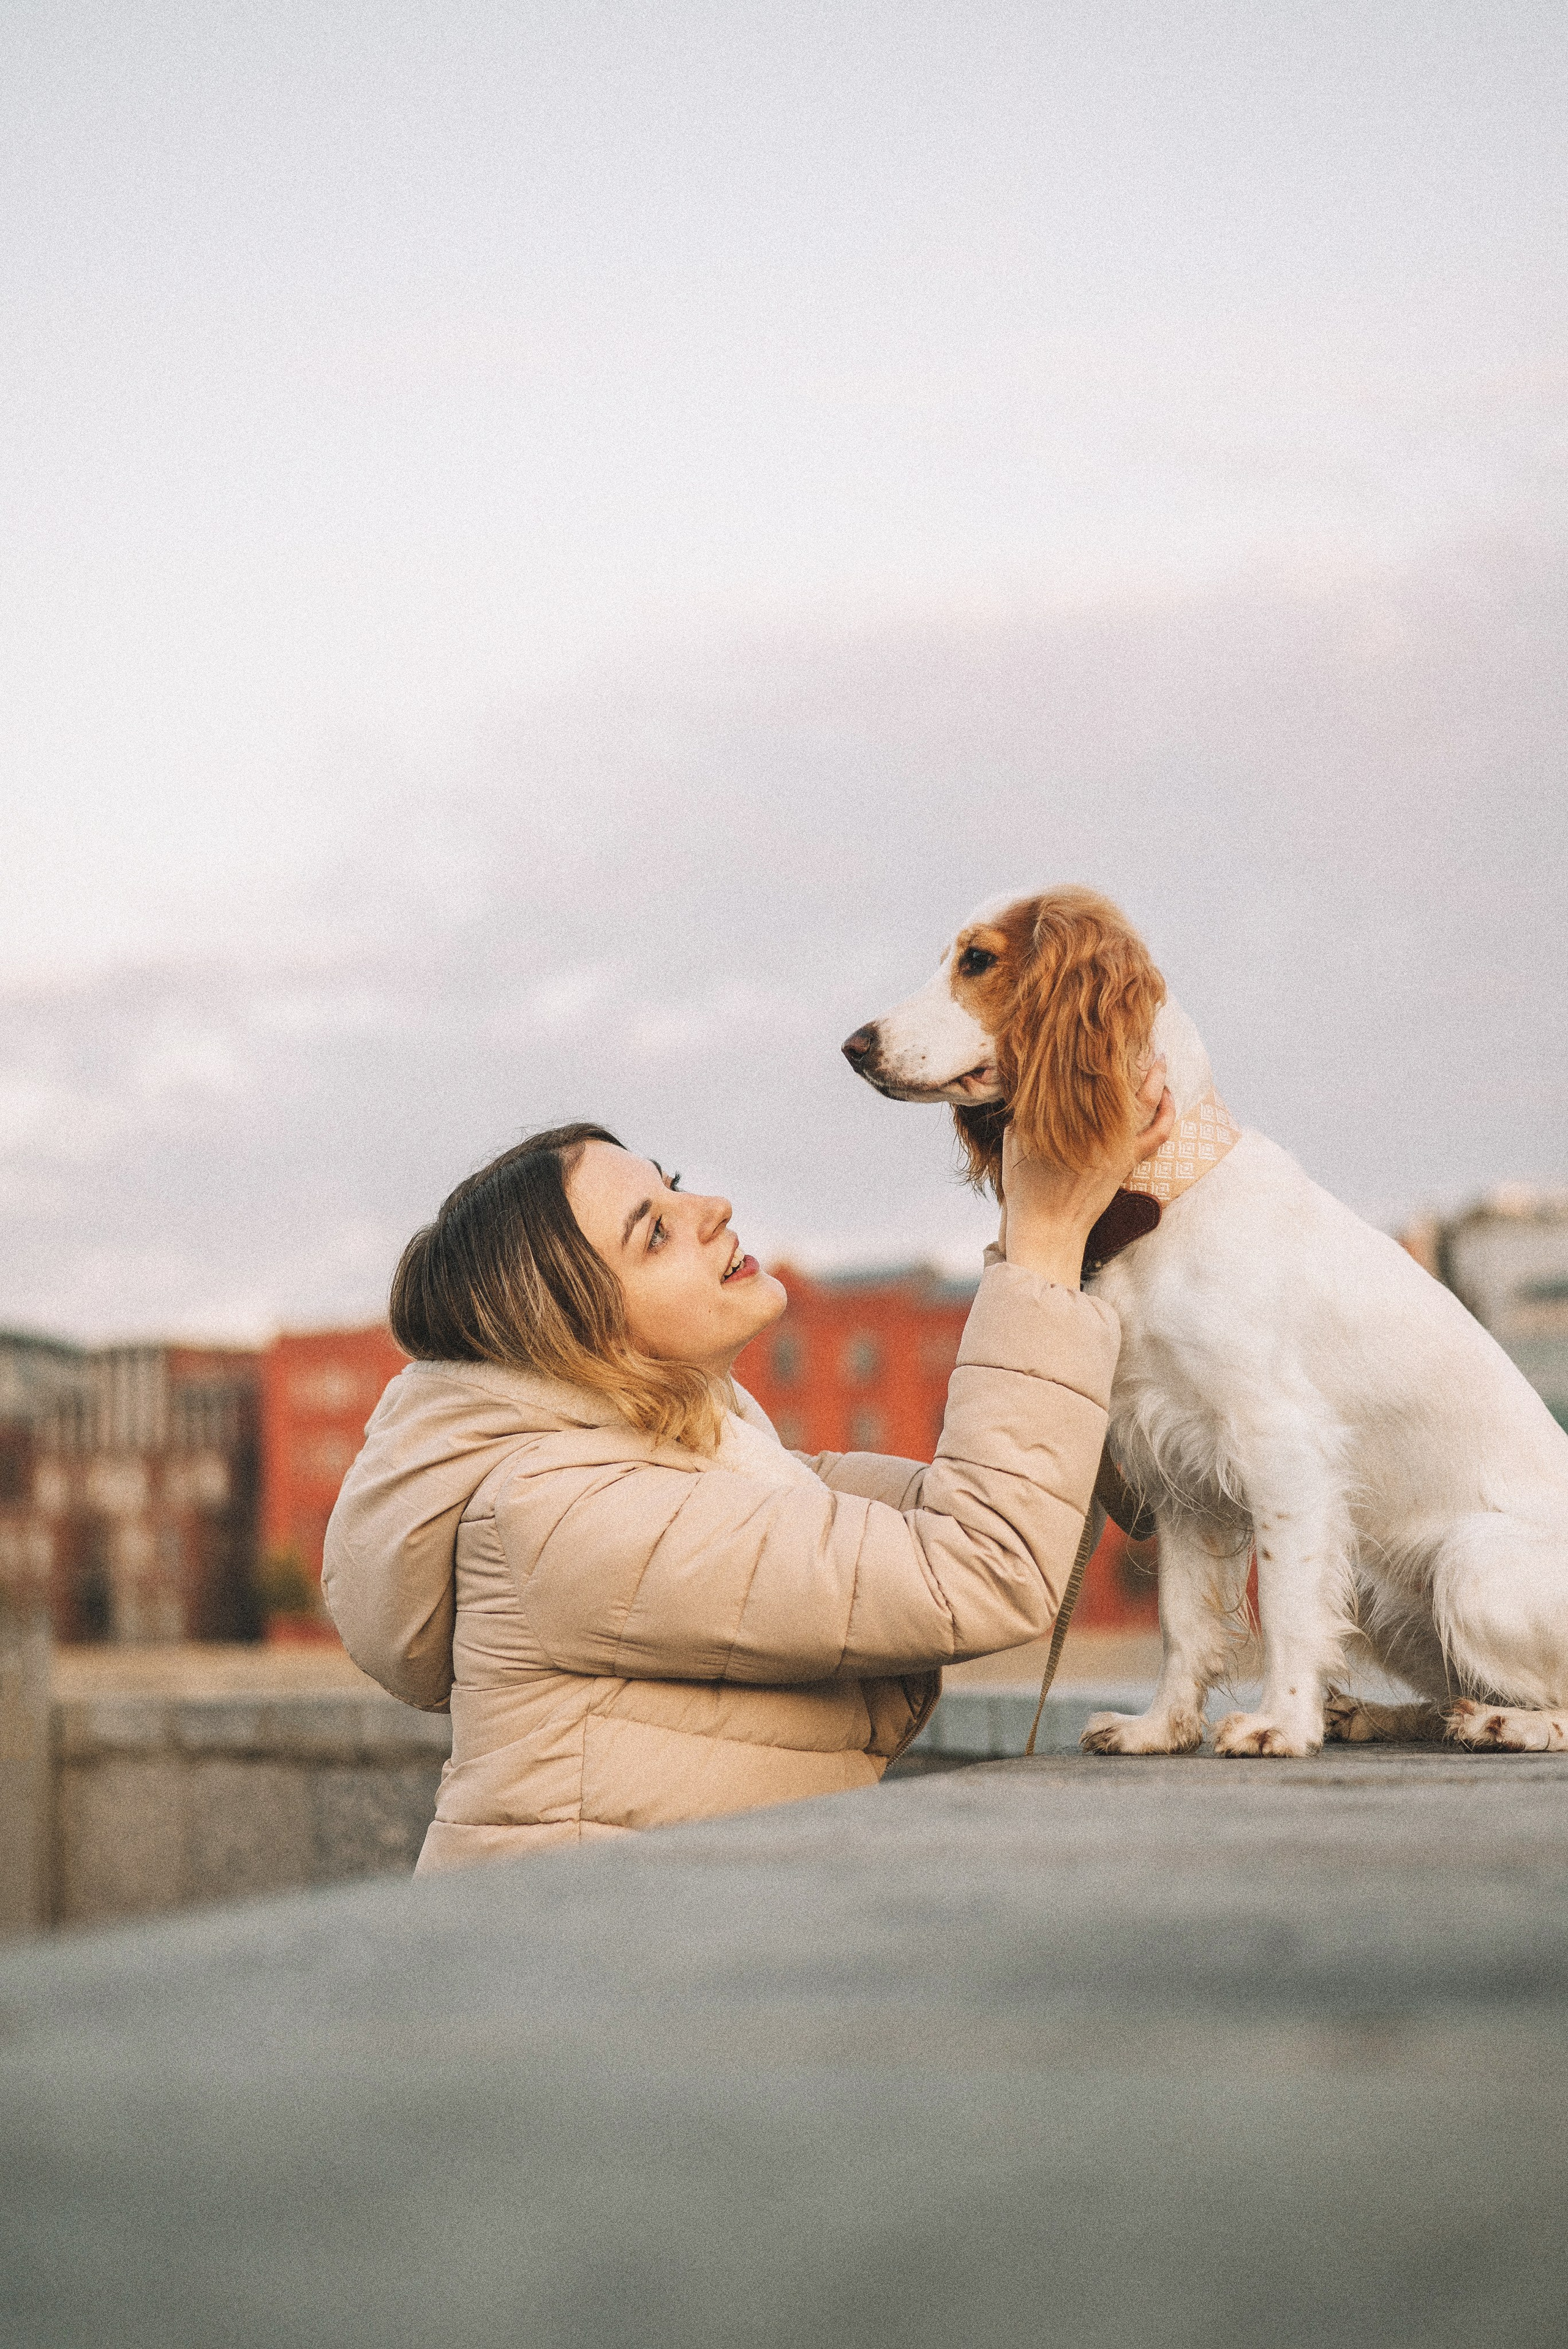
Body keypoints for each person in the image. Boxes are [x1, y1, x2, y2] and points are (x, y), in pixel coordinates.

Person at [323, 1072, 1174, 1870]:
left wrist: (1083, 1240)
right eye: (653, 1233)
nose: (711, 1208)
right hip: (571, 1995)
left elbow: (1036, 1507)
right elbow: (983, 1568)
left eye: (674, 1184)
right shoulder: (565, 1518)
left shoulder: (728, 1471)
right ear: (579, 1337)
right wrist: (1042, 1238)